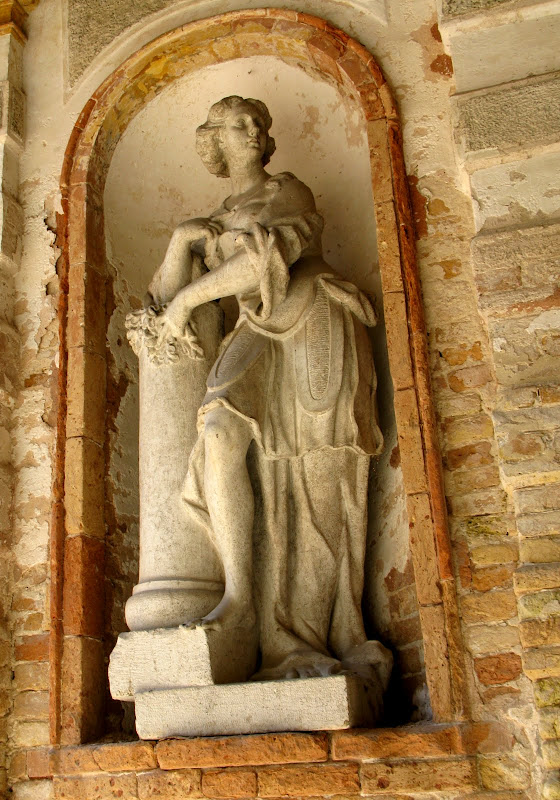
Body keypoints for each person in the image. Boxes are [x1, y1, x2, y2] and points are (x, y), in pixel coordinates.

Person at [147, 96, 391, 687]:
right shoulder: (215, 218)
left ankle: (309, 633)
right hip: (257, 328)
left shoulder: (287, 191)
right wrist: (180, 242)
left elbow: (265, 262)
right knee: (218, 430)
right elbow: (161, 303)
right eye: (239, 123)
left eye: (259, 122)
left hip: (312, 317)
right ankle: (238, 598)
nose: (254, 130)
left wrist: (190, 298)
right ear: (215, 140)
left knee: (312, 471)